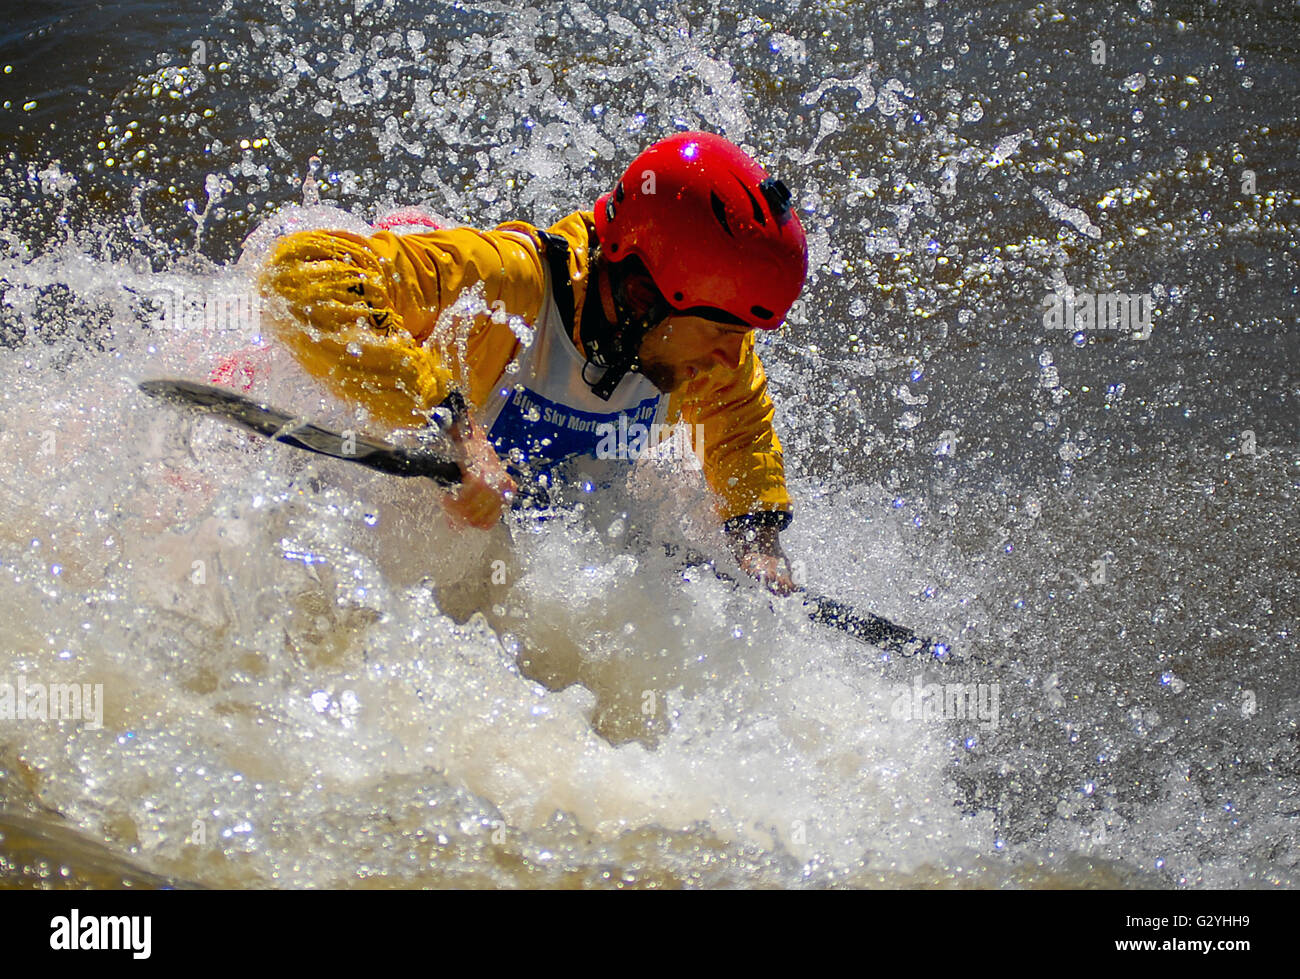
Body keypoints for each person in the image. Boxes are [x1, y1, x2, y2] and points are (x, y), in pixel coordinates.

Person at [258, 131, 808, 593]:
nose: (729, 354)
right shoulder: (508, 287)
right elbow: (303, 272)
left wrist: (757, 541)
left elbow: (739, 425)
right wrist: (456, 429)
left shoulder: (701, 355)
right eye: (720, 330)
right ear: (642, 294)